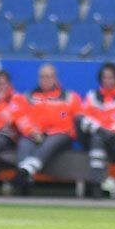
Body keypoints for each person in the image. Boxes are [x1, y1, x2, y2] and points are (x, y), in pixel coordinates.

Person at [12, 63, 84, 196]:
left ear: (55, 78)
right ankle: (24, 180)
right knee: (23, 142)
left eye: (49, 77)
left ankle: (27, 169)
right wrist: (32, 131)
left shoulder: (70, 97)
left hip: (60, 136)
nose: (45, 80)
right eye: (42, 77)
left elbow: (78, 119)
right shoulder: (28, 97)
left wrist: (54, 131)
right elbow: (20, 118)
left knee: (53, 141)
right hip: (35, 134)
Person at [79, 62, 115, 199]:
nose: (108, 80)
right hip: (93, 136)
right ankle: (97, 185)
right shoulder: (92, 96)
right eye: (105, 77)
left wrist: (109, 132)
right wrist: (101, 130)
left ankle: (96, 183)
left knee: (99, 138)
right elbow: (84, 118)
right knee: (96, 137)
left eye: (111, 77)